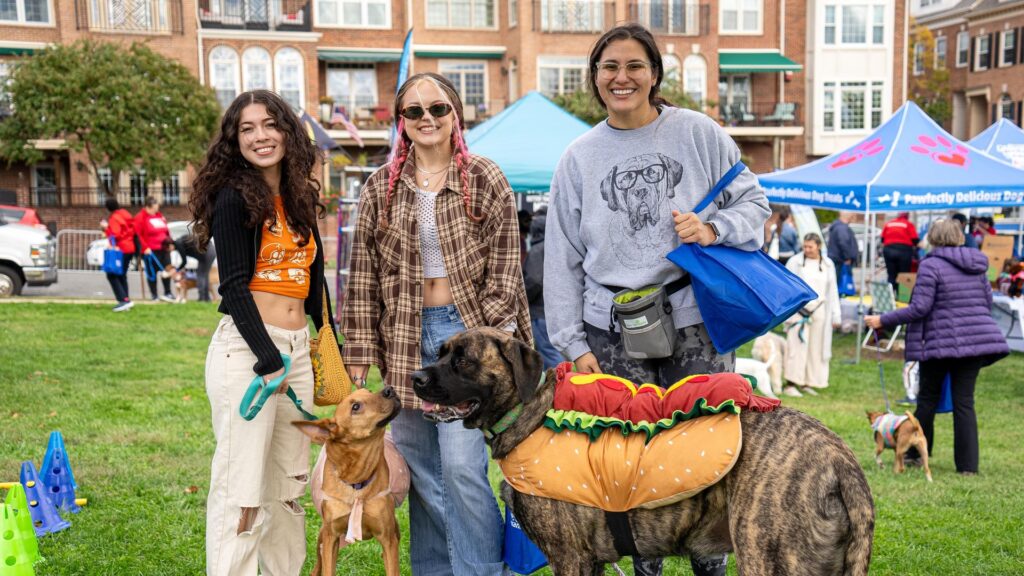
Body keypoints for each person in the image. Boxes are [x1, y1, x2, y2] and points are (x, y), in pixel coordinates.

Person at [543, 24, 769, 576]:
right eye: (609, 67)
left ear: (654, 75)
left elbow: (756, 205)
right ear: (595, 78)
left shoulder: (698, 134)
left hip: (694, 319)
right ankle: (646, 563)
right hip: (609, 329)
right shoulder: (578, 157)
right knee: (628, 456)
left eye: (633, 66)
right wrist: (573, 344)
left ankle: (710, 560)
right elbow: (563, 260)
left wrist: (712, 227)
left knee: (707, 446)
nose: (621, 78)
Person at [340, 72, 532, 576]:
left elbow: (506, 268)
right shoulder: (380, 186)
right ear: (401, 122)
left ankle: (485, 570)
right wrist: (358, 352)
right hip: (402, 338)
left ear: (455, 115)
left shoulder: (485, 177)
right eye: (414, 111)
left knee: (464, 469)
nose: (427, 119)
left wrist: (487, 345)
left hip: (464, 342)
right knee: (422, 473)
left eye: (438, 108)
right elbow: (361, 274)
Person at [188, 89, 331, 576]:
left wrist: (328, 345)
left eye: (269, 124)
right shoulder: (233, 197)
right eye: (247, 129)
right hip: (248, 355)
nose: (260, 136)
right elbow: (231, 286)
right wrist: (270, 358)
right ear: (235, 140)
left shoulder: (299, 198)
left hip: (294, 351)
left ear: (288, 132)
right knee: (242, 487)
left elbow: (315, 282)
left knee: (288, 486)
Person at [866, 219, 1009, 476]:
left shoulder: (931, 265)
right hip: (975, 343)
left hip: (939, 344)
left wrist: (882, 320)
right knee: (964, 402)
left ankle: (915, 454)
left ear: (933, 238)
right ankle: (968, 467)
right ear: (959, 236)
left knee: (928, 399)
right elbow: (987, 302)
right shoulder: (978, 264)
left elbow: (920, 307)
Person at [782, 233, 841, 397]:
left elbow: (833, 291)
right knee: (796, 347)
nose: (807, 250)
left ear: (818, 246)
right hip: (799, 310)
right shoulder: (795, 262)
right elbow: (787, 286)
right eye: (805, 246)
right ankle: (791, 383)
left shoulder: (828, 264)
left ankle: (809, 382)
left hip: (820, 310)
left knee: (815, 348)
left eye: (810, 247)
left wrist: (836, 315)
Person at [523, 206, 562, 370]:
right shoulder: (557, 247)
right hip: (555, 309)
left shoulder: (537, 250)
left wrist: (524, 298)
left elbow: (534, 280)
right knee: (554, 352)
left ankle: (560, 388)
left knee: (549, 355)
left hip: (540, 312)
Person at [134, 196, 175, 302]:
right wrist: (145, 247)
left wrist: (170, 243)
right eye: (156, 206)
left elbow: (166, 231)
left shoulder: (159, 215)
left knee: (167, 270)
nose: (158, 208)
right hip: (150, 251)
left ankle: (168, 292)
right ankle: (154, 295)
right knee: (152, 272)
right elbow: (138, 235)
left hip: (163, 249)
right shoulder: (140, 217)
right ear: (149, 206)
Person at [102, 198, 136, 312]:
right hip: (130, 247)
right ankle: (126, 299)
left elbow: (115, 234)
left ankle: (123, 300)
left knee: (112, 274)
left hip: (121, 249)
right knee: (122, 275)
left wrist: (105, 229)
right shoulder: (126, 214)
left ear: (108, 208)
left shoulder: (114, 218)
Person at [171, 232, 218, 302]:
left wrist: (177, 269)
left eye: (168, 249)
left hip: (206, 252)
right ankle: (206, 298)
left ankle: (202, 298)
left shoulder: (179, 244)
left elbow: (184, 261)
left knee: (201, 275)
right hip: (209, 251)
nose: (169, 251)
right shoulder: (181, 241)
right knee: (204, 275)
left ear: (170, 245)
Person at [881, 212, 918, 296]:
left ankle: (889, 297)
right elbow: (915, 240)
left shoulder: (889, 223)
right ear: (907, 216)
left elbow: (882, 239)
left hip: (888, 250)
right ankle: (903, 298)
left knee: (891, 275)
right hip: (904, 251)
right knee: (904, 275)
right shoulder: (908, 224)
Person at [827, 211, 859, 283]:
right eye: (852, 215)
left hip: (838, 260)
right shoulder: (841, 228)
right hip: (841, 261)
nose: (853, 217)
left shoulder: (839, 227)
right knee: (840, 284)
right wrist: (847, 257)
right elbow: (844, 243)